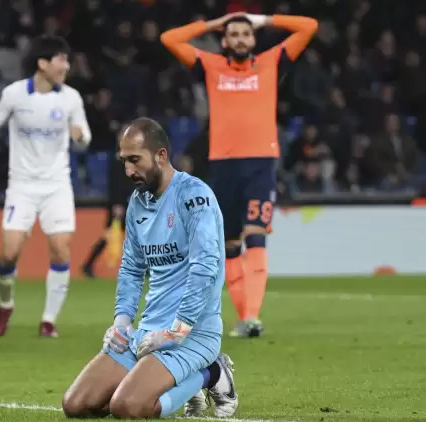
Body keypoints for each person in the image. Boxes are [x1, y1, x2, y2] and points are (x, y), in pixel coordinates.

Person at [62, 118, 237, 419]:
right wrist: (121, 322)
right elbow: (131, 267)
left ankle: (210, 372)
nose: (129, 171)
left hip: (192, 333)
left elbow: (205, 268)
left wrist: (176, 332)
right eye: (124, 162)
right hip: (146, 333)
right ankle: (175, 375)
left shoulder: (194, 197)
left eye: (135, 160)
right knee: (76, 405)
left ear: (161, 156)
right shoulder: (137, 202)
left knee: (127, 407)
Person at [161, 12, 318, 338]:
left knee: (256, 234)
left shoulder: (271, 61)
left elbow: (309, 26)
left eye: (246, 33)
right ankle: (243, 315)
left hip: (261, 162)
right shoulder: (210, 65)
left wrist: (263, 19)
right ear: (224, 40)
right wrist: (212, 23)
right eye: (233, 34)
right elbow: (169, 39)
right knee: (230, 244)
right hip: (222, 165)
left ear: (254, 37)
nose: (240, 39)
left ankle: (250, 317)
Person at [0, 35, 91, 338]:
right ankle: (5, 305)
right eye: (60, 59)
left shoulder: (71, 98)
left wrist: (80, 136)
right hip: (21, 187)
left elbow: (85, 135)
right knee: (9, 254)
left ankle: (48, 320)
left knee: (61, 252)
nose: (66, 65)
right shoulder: (14, 94)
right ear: (42, 63)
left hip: (57, 186)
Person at [81, 157, 135, 278]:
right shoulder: (118, 162)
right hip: (119, 205)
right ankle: (88, 264)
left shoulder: (130, 161)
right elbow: (115, 184)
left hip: (128, 203)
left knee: (135, 237)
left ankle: (88, 265)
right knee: (110, 236)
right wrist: (117, 203)